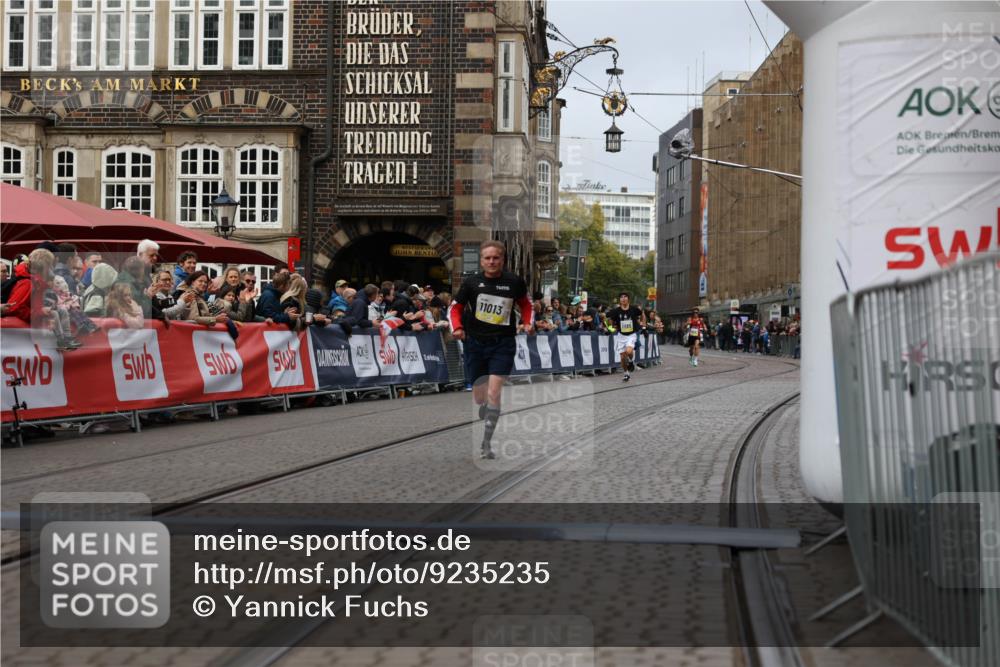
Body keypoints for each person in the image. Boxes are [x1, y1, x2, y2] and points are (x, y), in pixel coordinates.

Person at [449, 240, 533, 459]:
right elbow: (455, 308)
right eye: (487, 258)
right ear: (482, 260)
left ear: (502, 260)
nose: (492, 261)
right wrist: (457, 327)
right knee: (479, 397)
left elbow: (526, 305)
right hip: (475, 343)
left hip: (503, 343)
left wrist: (527, 322)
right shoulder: (472, 283)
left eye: (496, 257)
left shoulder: (514, 282)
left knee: (494, 392)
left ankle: (486, 444)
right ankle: (485, 405)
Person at [605, 292, 646, 382]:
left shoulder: (634, 309)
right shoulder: (616, 311)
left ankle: (631, 361)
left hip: (631, 335)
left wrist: (644, 327)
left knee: (628, 351)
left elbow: (642, 315)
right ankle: (626, 373)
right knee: (623, 357)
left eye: (625, 297)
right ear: (620, 300)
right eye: (621, 297)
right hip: (621, 336)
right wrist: (609, 328)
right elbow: (607, 318)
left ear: (628, 299)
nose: (623, 299)